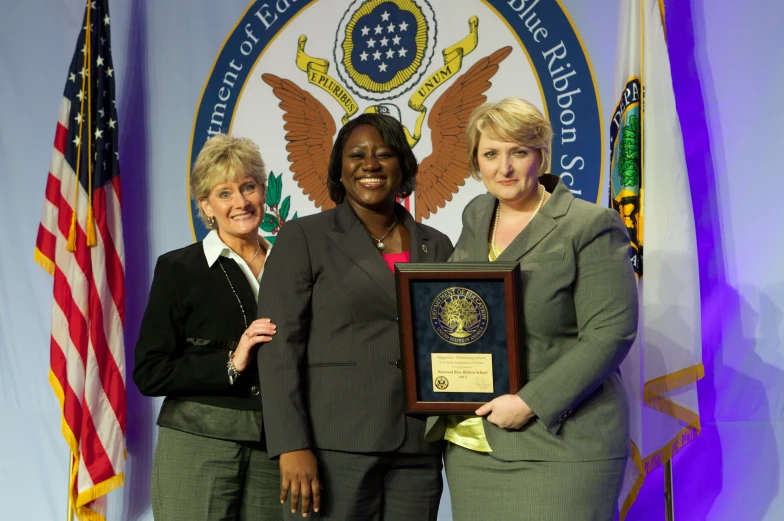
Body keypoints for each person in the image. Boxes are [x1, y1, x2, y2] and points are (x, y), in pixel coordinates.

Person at [425, 98, 639, 520]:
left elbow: (611, 332)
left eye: (518, 152)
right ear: (475, 162)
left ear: (541, 156)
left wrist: (529, 402)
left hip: (562, 444)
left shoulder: (590, 225)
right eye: (491, 154)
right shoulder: (476, 215)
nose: (504, 167)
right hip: (473, 450)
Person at [257, 113, 454, 520]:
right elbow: (279, 348)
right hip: (333, 447)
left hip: (418, 447)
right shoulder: (303, 237)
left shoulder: (437, 245)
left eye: (385, 153)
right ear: (339, 169)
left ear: (402, 166)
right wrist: (291, 444)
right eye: (357, 154)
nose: (371, 164)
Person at [133, 134, 280, 520]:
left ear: (263, 192)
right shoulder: (179, 268)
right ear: (206, 206)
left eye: (248, 187)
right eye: (224, 193)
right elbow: (150, 371)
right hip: (198, 444)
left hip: (276, 448)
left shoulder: (292, 265)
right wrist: (230, 361)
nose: (241, 202)